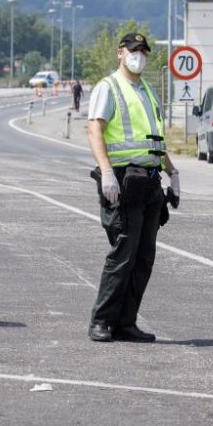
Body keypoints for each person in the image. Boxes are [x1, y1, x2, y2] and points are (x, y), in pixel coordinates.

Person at [86, 31, 179, 343]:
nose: (138, 55)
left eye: (143, 51)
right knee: (123, 253)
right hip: (123, 181)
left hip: (150, 181)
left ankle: (126, 323)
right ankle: (102, 321)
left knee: (143, 257)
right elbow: (94, 130)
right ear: (120, 53)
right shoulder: (109, 87)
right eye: (132, 50)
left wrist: (173, 172)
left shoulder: (148, 90)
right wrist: (106, 172)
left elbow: (154, 141)